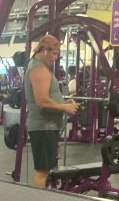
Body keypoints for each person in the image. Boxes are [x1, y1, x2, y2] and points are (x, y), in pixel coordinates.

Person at [24, 34, 79, 188]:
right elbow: (42, 101)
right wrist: (64, 107)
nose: (55, 58)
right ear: (44, 50)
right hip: (44, 127)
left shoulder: (37, 67)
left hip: (46, 127)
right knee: (42, 171)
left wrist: (62, 101)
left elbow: (46, 97)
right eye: (54, 53)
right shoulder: (39, 69)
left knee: (44, 169)